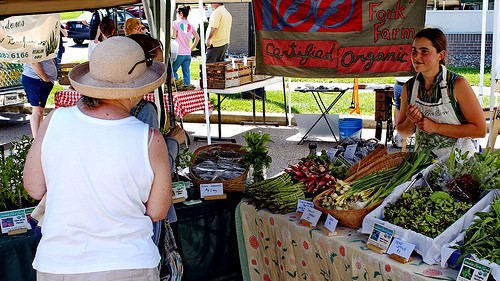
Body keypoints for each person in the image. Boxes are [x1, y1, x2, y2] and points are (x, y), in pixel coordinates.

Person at [23, 36, 171, 281]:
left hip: (59, 264)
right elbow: (157, 211)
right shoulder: (150, 139)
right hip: (129, 263)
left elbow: (34, 188)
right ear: (139, 87)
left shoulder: (55, 120)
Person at [397, 27, 486, 158]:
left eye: (424, 51)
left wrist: (435, 127)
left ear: (441, 55)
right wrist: (411, 120)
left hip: (459, 162)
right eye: (414, 51)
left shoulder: (457, 84)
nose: (416, 57)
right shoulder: (409, 87)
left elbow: (480, 130)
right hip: (423, 162)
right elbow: (404, 133)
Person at [21, 59, 57, 138]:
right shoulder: (34, 46)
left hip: (40, 80)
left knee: (40, 111)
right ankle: (36, 141)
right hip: (36, 79)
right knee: (37, 111)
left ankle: (40, 138)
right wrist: (45, 79)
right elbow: (33, 62)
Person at [172, 5, 200, 85]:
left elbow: (173, 37)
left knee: (173, 70)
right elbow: (197, 38)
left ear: (180, 13)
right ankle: (187, 89)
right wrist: (191, 49)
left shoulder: (176, 23)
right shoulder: (191, 25)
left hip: (178, 53)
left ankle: (176, 87)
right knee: (186, 73)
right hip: (187, 53)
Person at [392, 76, 411, 148]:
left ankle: (400, 134)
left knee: (399, 108)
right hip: (411, 83)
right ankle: (400, 134)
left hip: (400, 84)